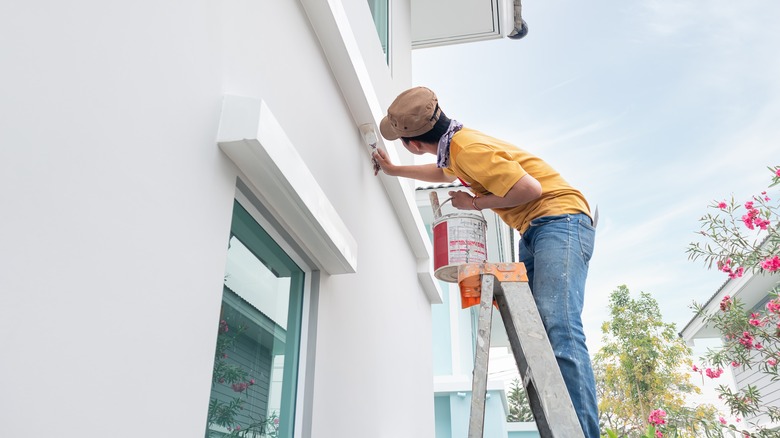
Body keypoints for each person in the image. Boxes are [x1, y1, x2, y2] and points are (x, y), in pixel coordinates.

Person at [373, 86, 599, 437]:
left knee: (559, 325)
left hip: (560, 220)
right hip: (539, 227)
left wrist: (473, 204)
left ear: (414, 143)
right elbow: (444, 174)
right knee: (540, 334)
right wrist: (395, 171)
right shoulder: (456, 147)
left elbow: (530, 190)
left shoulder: (469, 149)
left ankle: (582, 433)